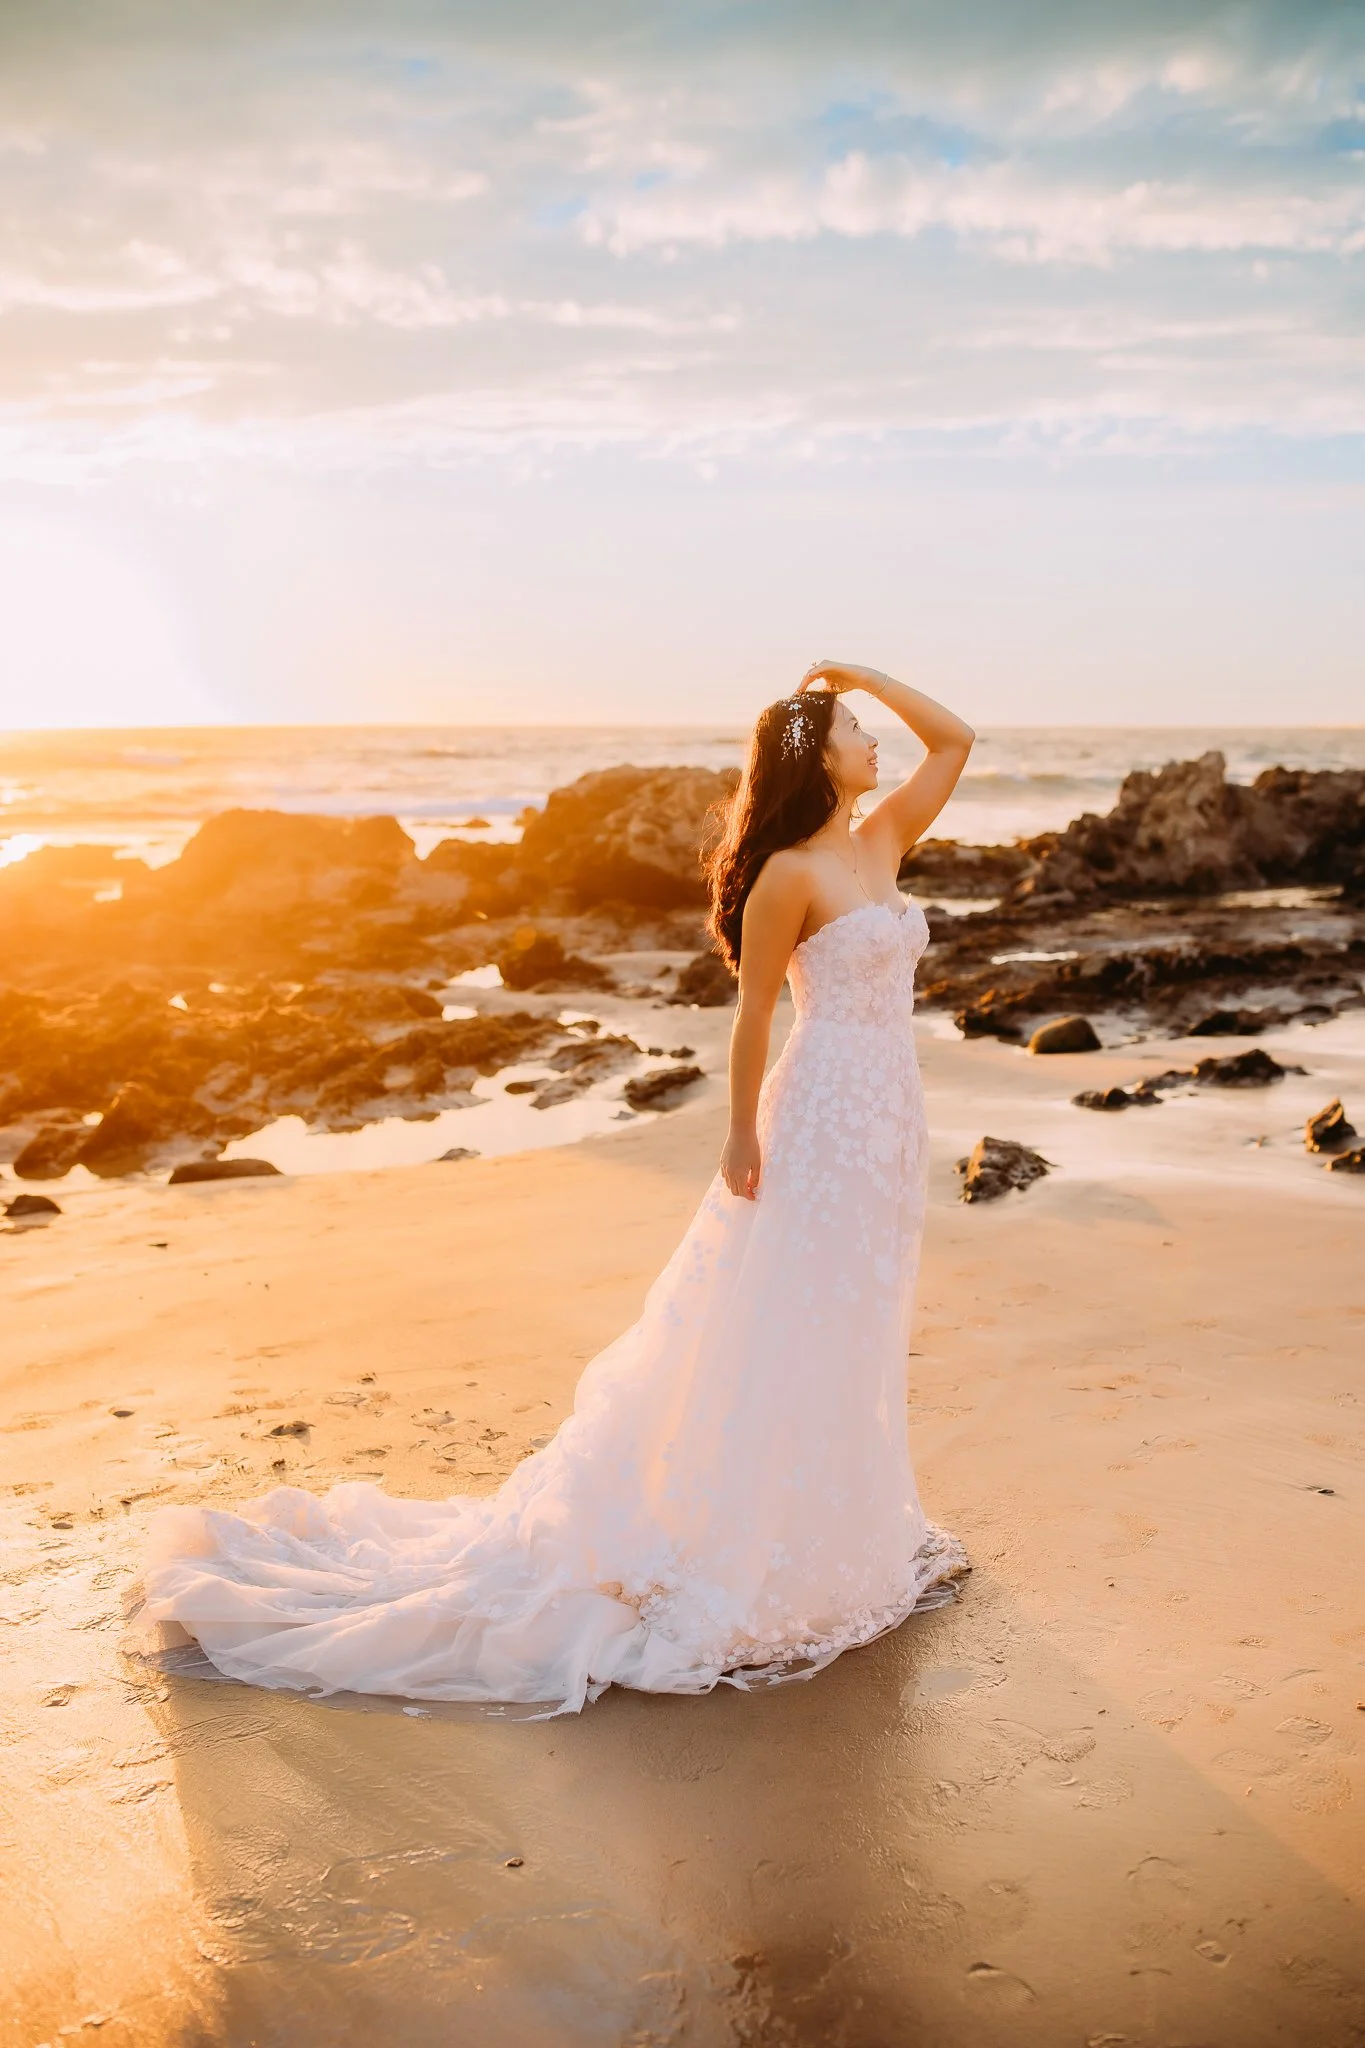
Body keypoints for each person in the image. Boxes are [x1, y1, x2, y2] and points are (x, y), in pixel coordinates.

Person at [138, 662, 975, 1716]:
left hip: (888, 1114)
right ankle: (766, 1546)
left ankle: (841, 1526)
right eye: (856, 730)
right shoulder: (790, 877)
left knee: (856, 1314)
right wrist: (736, 1133)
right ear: (817, 761)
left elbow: (955, 741)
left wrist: (864, 674)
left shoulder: (883, 837)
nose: (876, 744)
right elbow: (756, 1014)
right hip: (816, 1117)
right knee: (788, 1319)